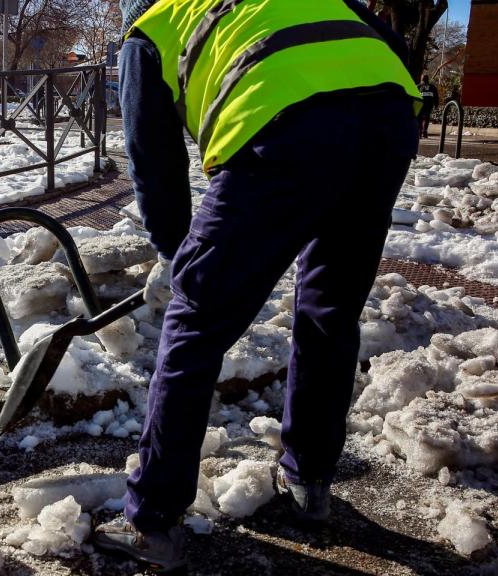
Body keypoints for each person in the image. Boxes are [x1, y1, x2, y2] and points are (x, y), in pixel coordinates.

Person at [92, 0, 422, 571]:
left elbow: (152, 159)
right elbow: (387, 44)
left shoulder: (150, 30)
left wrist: (177, 258)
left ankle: (152, 522)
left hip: (284, 129)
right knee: (329, 309)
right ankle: (310, 481)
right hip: (388, 119)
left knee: (195, 325)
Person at [418, 74, 439, 138]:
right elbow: (436, 97)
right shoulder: (432, 87)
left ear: (421, 79)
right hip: (429, 105)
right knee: (426, 118)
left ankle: (420, 132)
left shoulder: (418, 87)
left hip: (420, 105)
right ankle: (424, 132)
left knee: (420, 118)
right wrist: (436, 104)